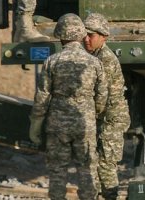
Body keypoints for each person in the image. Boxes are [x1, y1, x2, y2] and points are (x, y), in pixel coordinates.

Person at [29, 13, 107, 200]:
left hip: (57, 124)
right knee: (86, 168)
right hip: (84, 122)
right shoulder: (94, 62)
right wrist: (93, 113)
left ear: (60, 35)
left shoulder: (52, 61)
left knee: (57, 170)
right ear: (81, 35)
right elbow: (102, 95)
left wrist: (36, 122)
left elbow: (43, 95)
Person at [82, 12, 130, 200]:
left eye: (91, 35)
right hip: (104, 118)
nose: (87, 39)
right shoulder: (95, 56)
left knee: (106, 164)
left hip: (110, 119)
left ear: (103, 37)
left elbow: (102, 97)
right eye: (84, 35)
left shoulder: (105, 60)